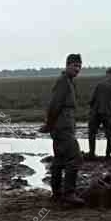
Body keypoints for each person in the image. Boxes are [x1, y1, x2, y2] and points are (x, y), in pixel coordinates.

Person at [43, 54, 85, 205]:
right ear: (67, 65)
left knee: (60, 160)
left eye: (79, 66)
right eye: (75, 65)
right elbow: (54, 105)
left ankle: (56, 193)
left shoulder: (69, 82)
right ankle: (69, 193)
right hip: (62, 128)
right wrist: (49, 125)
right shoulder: (63, 82)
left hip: (63, 127)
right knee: (75, 157)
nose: (77, 69)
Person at [87, 68, 111, 159]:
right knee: (110, 134)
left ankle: (91, 153)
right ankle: (108, 154)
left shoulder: (99, 85)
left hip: (97, 112)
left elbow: (92, 99)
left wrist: (91, 106)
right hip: (110, 113)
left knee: (92, 133)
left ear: (107, 74)